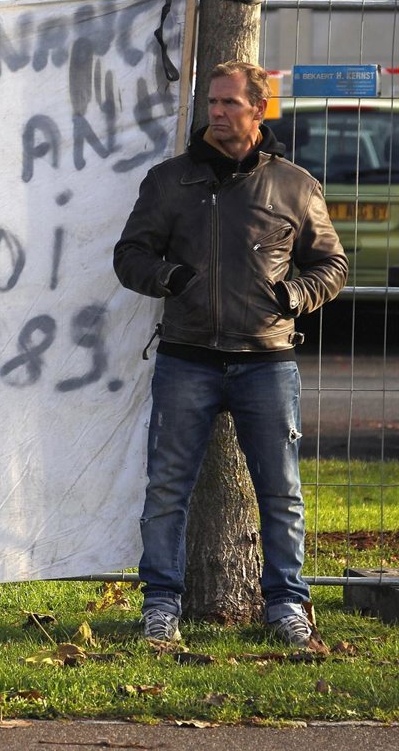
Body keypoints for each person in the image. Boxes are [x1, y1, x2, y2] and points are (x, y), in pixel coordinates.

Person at [113, 61, 347, 646]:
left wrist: (294, 295)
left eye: (229, 103)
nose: (216, 113)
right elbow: (129, 255)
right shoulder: (170, 180)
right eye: (212, 103)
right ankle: (160, 606)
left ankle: (286, 606)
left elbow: (333, 264)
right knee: (166, 489)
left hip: (267, 358)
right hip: (186, 355)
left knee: (282, 493)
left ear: (258, 110)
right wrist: (171, 278)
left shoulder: (295, 185)